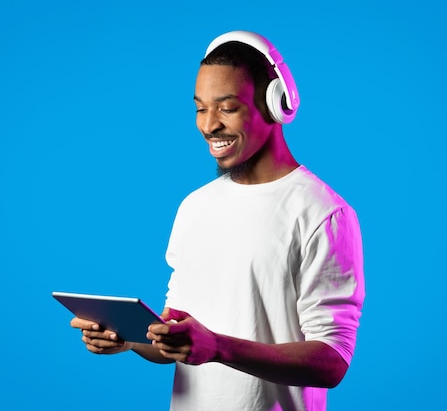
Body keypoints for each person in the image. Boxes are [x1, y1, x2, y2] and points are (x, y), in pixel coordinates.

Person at [70, 30, 365, 411]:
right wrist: (128, 339)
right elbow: (177, 339)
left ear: (274, 105)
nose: (209, 125)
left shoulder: (324, 214)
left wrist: (219, 348)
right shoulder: (195, 206)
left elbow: (332, 362)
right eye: (200, 108)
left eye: (227, 108)